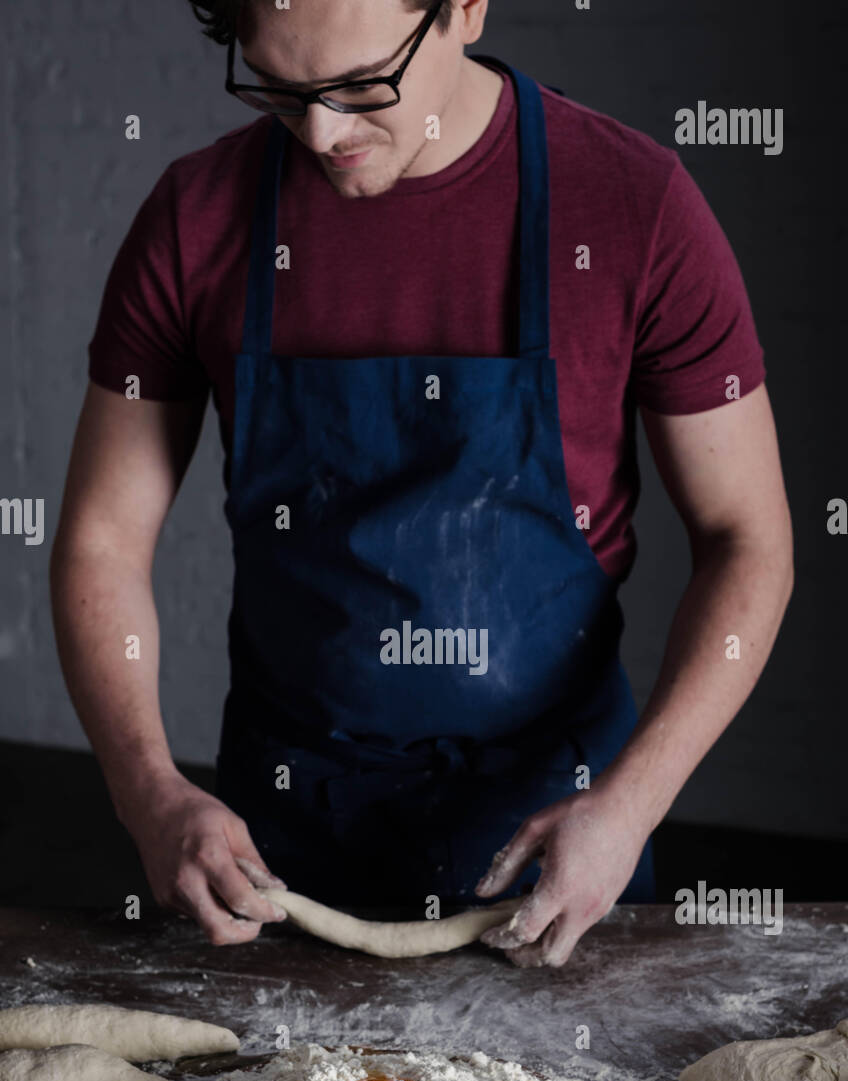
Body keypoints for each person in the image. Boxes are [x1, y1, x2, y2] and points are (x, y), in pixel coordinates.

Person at [51, 0, 793, 965]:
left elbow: (749, 540)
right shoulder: (197, 221)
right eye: (279, 90)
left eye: (363, 87)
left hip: (564, 837)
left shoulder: (629, 203)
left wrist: (630, 803)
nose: (323, 135)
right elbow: (101, 541)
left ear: (467, 8)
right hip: (283, 846)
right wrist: (146, 789)